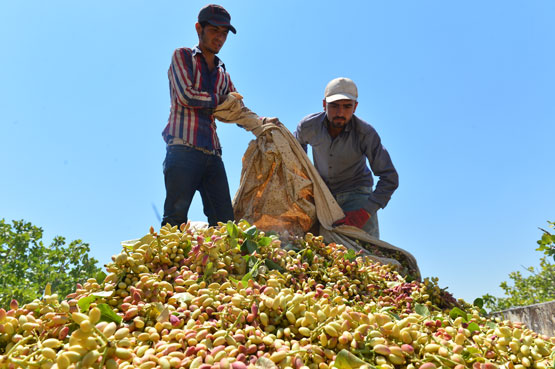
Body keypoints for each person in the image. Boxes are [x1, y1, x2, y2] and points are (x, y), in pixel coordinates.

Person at [160, 4, 248, 228]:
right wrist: (221, 101)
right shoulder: (183, 56)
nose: (220, 38)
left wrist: (263, 124)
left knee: (226, 224)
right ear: (199, 28)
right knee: (174, 220)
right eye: (214, 31)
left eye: (224, 33)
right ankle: (166, 263)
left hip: (212, 154)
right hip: (182, 150)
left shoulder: (222, 74)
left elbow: (237, 110)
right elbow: (186, 96)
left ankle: (219, 263)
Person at [294, 77, 399, 239]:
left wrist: (366, 212)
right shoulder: (308, 126)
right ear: (324, 105)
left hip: (357, 195)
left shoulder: (365, 134)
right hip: (323, 196)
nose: (340, 113)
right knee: (316, 248)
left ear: (355, 107)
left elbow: (390, 177)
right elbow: (293, 153)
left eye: (347, 106)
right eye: (334, 106)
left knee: (366, 255)